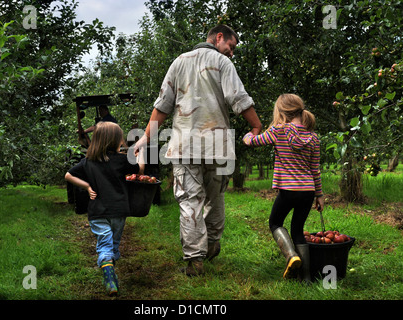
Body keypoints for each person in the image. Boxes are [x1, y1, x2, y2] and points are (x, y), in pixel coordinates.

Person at [134, 25, 263, 276]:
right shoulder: (223, 63)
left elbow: (163, 106)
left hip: (184, 146)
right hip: (218, 146)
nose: (232, 53)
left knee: (189, 201)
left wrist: (146, 139)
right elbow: (239, 99)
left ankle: (195, 260)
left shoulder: (179, 62)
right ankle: (212, 243)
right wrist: (257, 126)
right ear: (218, 38)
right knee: (215, 198)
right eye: (231, 46)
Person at [242, 93, 324, 282]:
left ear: (282, 111)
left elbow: (253, 142)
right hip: (308, 192)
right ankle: (305, 278)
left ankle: (291, 256)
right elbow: (315, 169)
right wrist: (319, 194)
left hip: (288, 190)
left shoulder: (278, 131)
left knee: (275, 223)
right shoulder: (313, 137)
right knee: (297, 229)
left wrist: (249, 134)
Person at [65, 121, 145, 295]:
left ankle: (109, 273)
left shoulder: (88, 162)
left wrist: (86, 186)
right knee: (112, 245)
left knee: (105, 244)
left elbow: (68, 175)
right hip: (118, 211)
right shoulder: (122, 160)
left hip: (97, 212)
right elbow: (139, 171)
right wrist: (141, 155)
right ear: (115, 141)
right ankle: (110, 274)